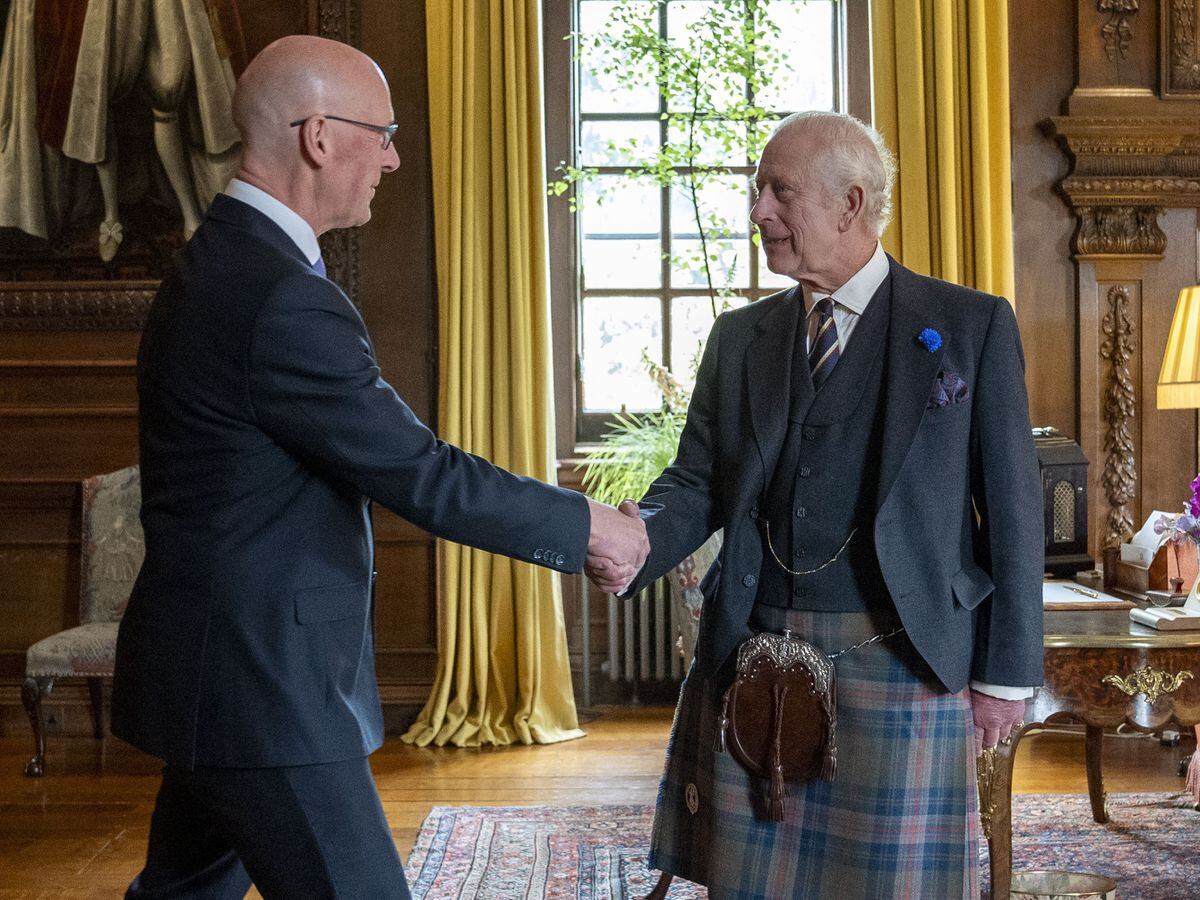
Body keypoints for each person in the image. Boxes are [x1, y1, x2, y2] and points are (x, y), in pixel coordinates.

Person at [111, 35, 647, 899]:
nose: (393, 158)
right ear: (319, 135)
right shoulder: (279, 292)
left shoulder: (225, 261)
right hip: (264, 685)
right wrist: (588, 525)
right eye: (383, 133)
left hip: (215, 668)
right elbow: (418, 471)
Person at [627, 111, 1043, 899]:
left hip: (906, 658)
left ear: (850, 204)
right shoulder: (738, 336)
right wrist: (634, 538)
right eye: (759, 192)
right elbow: (696, 482)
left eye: (779, 192)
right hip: (757, 655)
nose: (758, 213)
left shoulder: (968, 325)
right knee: (754, 885)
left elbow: (1014, 513)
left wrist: (1007, 676)